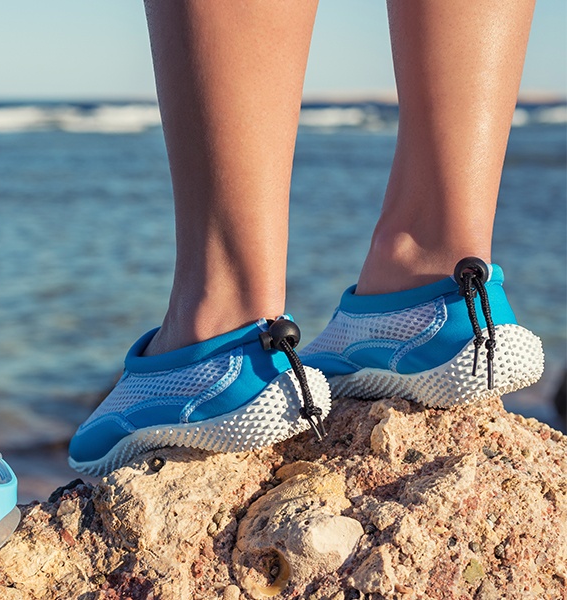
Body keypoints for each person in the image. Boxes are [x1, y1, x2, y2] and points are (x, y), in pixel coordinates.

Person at [69, 0, 545, 476]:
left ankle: (220, 322)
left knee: (224, 305)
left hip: (224, 367)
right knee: (438, 245)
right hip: (470, 312)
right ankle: (432, 273)